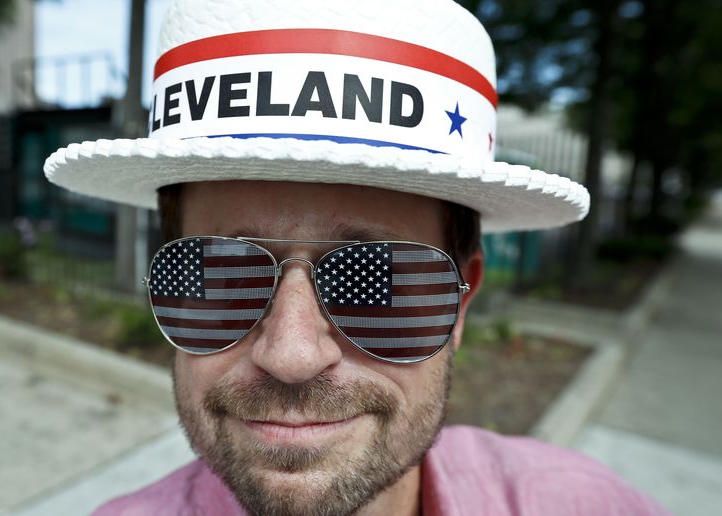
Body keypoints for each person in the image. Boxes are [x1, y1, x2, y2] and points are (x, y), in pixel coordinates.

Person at [44, 0, 668, 514]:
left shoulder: (591, 503)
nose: (290, 356)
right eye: (221, 273)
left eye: (376, 281)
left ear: (460, 305)